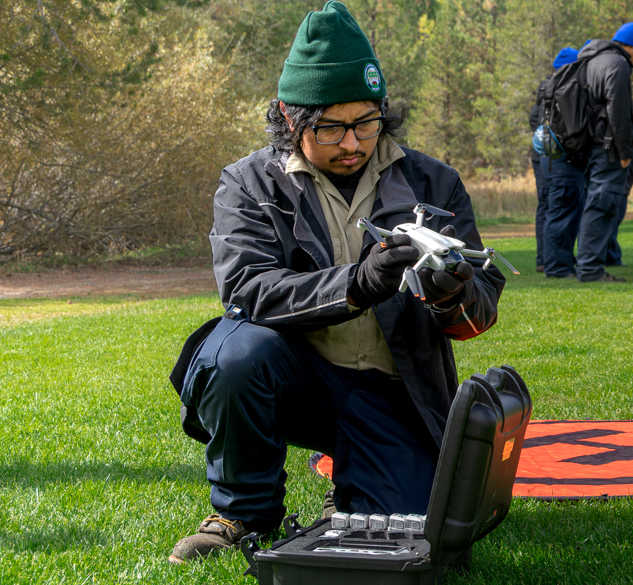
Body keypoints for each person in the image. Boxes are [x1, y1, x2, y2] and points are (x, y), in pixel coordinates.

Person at [166, 1, 505, 563]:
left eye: (367, 122)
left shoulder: (435, 181)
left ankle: (347, 497)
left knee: (417, 538)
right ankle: (242, 511)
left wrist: (452, 294)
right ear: (288, 115)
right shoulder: (249, 183)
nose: (352, 143)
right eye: (330, 127)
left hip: (394, 389)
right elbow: (249, 289)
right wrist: (358, 282)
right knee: (236, 352)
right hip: (292, 374)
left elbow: (480, 311)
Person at [575, 22, 633, 283]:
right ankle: (590, 270)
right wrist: (625, 151)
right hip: (609, 148)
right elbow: (619, 111)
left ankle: (588, 266)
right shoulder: (617, 65)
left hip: (589, 146)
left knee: (594, 205)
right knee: (602, 207)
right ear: (632, 46)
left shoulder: (590, 60)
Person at [537, 47, 587, 280]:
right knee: (560, 215)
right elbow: (573, 128)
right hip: (564, 160)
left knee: (559, 213)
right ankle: (557, 268)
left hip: (553, 159)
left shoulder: (551, 88)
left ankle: (561, 264)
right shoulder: (567, 89)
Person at [529, 47, 578, 273]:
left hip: (542, 156)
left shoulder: (546, 87)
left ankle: (547, 259)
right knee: (553, 207)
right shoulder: (559, 88)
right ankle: (551, 261)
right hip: (550, 157)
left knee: (548, 207)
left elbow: (533, 119)